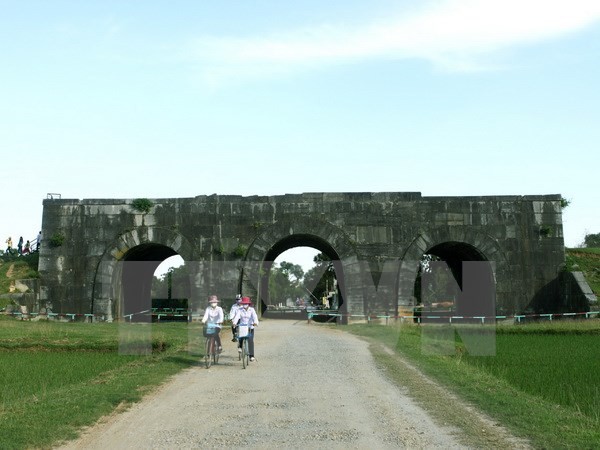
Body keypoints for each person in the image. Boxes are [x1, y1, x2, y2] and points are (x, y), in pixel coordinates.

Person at [232, 296, 259, 361]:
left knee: (250, 340)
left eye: (246, 303)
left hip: (250, 327)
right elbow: (237, 317)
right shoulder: (240, 310)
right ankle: (240, 347)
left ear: (249, 304)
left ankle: (251, 356)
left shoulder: (252, 310)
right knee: (241, 337)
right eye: (244, 303)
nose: (245, 305)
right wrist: (234, 323)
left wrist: (255, 323)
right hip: (242, 326)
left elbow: (255, 317)